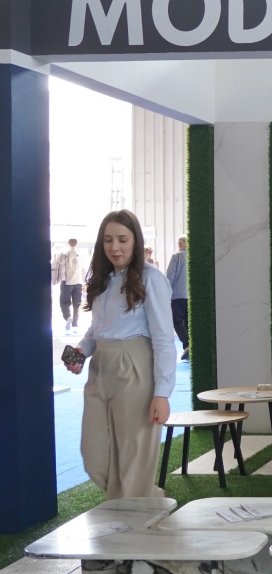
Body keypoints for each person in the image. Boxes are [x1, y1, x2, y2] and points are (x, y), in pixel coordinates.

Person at [62, 210, 177, 500]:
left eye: (122, 240)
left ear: (136, 241)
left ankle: (138, 509)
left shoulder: (151, 278)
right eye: (108, 240)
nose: (115, 247)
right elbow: (97, 327)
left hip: (135, 365)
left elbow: (164, 339)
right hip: (101, 366)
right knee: (94, 456)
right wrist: (83, 349)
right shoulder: (103, 278)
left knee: (133, 461)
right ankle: (150, 500)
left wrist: (162, 393)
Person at [51, 237, 86, 333]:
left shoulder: (63, 255)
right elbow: (84, 270)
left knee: (64, 303)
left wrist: (55, 280)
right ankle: (75, 325)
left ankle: (68, 317)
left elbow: (57, 268)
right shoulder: (81, 256)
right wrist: (84, 283)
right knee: (77, 304)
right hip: (78, 283)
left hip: (66, 282)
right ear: (77, 244)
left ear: (68, 244)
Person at [166, 235, 189, 360]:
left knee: (177, 321)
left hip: (178, 295)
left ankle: (187, 344)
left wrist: (165, 294)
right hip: (190, 296)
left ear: (180, 244)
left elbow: (170, 276)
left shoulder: (177, 256)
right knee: (189, 322)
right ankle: (191, 346)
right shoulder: (193, 256)